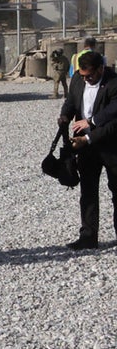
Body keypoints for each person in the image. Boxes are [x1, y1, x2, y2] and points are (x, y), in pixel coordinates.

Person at [58, 51, 117, 250]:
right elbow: (71, 102)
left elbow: (112, 118)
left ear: (100, 69)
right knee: (88, 190)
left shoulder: (113, 83)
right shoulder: (77, 79)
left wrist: (90, 129)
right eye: (82, 75)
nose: (85, 79)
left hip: (111, 145)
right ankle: (88, 237)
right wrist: (65, 116)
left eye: (89, 75)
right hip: (85, 147)